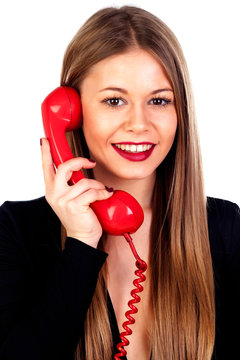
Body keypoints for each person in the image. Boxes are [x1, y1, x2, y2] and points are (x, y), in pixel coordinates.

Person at [0, 5, 239, 360]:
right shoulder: (16, 231)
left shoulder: (226, 229)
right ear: (71, 111)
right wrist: (81, 244)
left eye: (159, 100)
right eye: (114, 101)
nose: (139, 124)